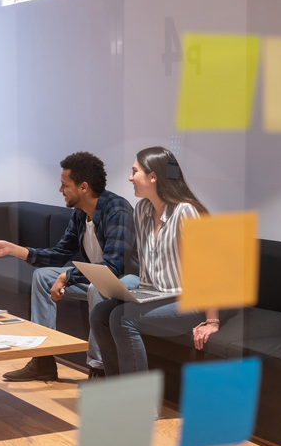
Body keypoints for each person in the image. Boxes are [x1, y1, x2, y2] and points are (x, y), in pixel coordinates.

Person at [0, 151, 137, 381]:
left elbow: (112, 267)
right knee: (43, 276)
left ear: (83, 187)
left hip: (128, 279)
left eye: (65, 185)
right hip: (97, 275)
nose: (60, 190)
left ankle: (98, 369)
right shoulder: (79, 215)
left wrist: (67, 277)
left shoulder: (117, 210)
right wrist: (12, 249)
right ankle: (43, 360)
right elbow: (58, 254)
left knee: (98, 286)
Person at [91, 147, 221, 377]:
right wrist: (133, 292)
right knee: (100, 313)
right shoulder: (141, 210)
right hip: (156, 294)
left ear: (153, 176)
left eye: (135, 171)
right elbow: (148, 268)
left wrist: (212, 321)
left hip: (188, 301)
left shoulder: (185, 212)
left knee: (122, 318)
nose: (130, 178)